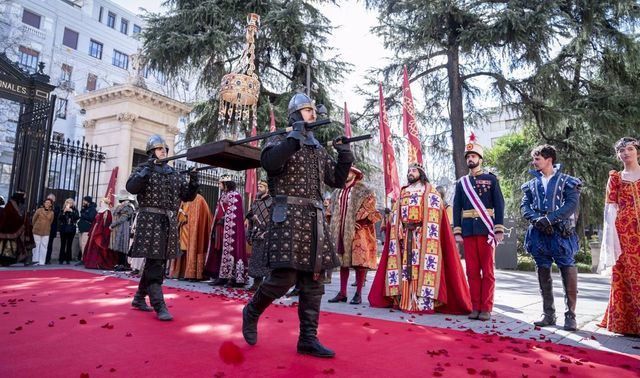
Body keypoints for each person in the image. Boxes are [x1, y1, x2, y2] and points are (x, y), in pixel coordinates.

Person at [241, 92, 354, 358]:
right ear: (294, 115)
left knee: (313, 282)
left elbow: (336, 180)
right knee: (284, 279)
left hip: (314, 219)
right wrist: (294, 137)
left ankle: (308, 339)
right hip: (288, 217)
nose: (313, 114)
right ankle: (252, 310)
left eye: (313, 110)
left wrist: (345, 154)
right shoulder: (280, 139)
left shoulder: (317, 148)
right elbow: (269, 162)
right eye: (307, 110)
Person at [369, 164, 472, 314]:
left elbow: (437, 213)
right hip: (404, 236)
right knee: (406, 269)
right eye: (409, 171)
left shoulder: (430, 191)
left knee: (422, 268)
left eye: (414, 170)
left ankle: (423, 301)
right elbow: (396, 214)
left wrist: (423, 230)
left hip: (423, 236)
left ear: (421, 173)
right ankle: (405, 299)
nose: (410, 173)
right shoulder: (403, 192)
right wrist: (393, 219)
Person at [126, 134, 198, 321]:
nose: (163, 151)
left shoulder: (173, 174)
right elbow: (132, 188)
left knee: (154, 262)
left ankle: (139, 298)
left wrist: (193, 181)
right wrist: (147, 169)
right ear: (151, 152)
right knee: (156, 264)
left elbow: (187, 196)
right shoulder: (143, 169)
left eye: (165, 148)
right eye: (159, 149)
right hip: (149, 221)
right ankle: (159, 305)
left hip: (168, 223)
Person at [520, 144, 581, 331]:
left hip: (561, 232)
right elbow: (525, 206)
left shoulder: (567, 181)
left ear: (549, 159)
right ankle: (548, 314)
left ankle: (570, 315)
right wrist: (537, 220)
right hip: (538, 234)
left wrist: (550, 219)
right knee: (542, 270)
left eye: (537, 158)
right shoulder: (530, 184)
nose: (534, 162)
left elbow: (571, 204)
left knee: (567, 268)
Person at [452, 137, 505, 321]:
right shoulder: (461, 183)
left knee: (488, 272)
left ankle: (486, 308)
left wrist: (498, 229)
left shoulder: (491, 179)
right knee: (472, 272)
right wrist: (457, 231)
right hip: (468, 232)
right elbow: (456, 207)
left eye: (473, 156)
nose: (470, 160)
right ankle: (475, 307)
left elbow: (499, 205)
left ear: (480, 159)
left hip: (486, 230)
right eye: (468, 157)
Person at [597, 137, 640, 336]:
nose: (626, 153)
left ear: (637, 151)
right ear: (618, 155)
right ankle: (627, 324)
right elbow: (610, 209)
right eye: (622, 150)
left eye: (630, 149)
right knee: (628, 276)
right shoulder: (615, 177)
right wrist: (611, 240)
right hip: (624, 234)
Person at [328, 167, 381, 305]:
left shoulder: (365, 191)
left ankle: (358, 293)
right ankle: (342, 293)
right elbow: (330, 211)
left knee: (359, 262)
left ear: (356, 174)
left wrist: (359, 221)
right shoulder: (336, 192)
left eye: (349, 172)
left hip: (359, 231)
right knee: (342, 262)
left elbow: (370, 209)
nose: (346, 173)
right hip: (340, 231)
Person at [204, 176, 248, 287]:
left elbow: (235, 215)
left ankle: (233, 278)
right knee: (219, 252)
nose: (219, 185)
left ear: (226, 184)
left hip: (231, 232)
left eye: (220, 183)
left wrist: (224, 220)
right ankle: (221, 277)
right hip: (220, 229)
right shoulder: (222, 196)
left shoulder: (236, 196)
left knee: (231, 253)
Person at [170, 193, 212, 281]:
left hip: (193, 230)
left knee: (192, 250)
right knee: (183, 249)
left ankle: (194, 274)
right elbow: (181, 210)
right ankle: (183, 272)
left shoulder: (199, 199)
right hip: (183, 228)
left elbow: (204, 216)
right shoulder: (185, 198)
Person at [246, 180, 273, 291]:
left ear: (267, 188)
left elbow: (274, 219)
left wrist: (268, 232)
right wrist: (249, 233)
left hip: (267, 235)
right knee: (256, 260)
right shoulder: (255, 202)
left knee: (266, 261)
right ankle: (256, 283)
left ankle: (267, 285)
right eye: (258, 186)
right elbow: (250, 219)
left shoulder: (272, 202)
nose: (259, 187)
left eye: (262, 186)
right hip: (256, 235)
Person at [83, 197, 118, 270]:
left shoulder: (107, 212)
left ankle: (98, 263)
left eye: (101, 202)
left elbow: (107, 224)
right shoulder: (100, 211)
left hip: (101, 232)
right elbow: (95, 221)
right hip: (95, 230)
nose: (100, 204)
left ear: (105, 203)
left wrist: (101, 231)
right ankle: (92, 262)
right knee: (93, 247)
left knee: (100, 246)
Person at [0, 190, 30, 266]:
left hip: (17, 229)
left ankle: (20, 260)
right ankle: (6, 261)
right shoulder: (10, 204)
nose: (24, 198)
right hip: (9, 229)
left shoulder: (20, 204)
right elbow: (10, 216)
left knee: (17, 245)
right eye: (23, 196)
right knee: (8, 245)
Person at [110, 190, 137, 271]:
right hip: (120, 228)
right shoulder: (122, 206)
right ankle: (119, 263)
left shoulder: (128, 207)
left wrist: (112, 225)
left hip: (124, 228)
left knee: (123, 246)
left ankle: (123, 265)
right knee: (119, 247)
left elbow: (123, 218)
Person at [31, 198, 55, 266]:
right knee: (36, 246)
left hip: (46, 231)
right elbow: (33, 219)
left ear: (51, 204)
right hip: (37, 230)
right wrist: (35, 226)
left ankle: (42, 261)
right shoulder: (39, 210)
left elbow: (51, 221)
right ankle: (35, 261)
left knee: (44, 246)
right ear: (44, 203)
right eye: (46, 202)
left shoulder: (52, 213)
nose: (47, 204)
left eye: (48, 203)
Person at [58, 198, 79, 264]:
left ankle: (68, 259)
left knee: (69, 244)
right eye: (67, 202)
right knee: (63, 244)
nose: (69, 204)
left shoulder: (75, 210)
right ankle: (61, 259)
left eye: (70, 202)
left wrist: (71, 211)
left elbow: (77, 218)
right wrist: (64, 212)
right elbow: (60, 218)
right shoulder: (63, 209)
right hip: (63, 228)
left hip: (71, 229)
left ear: (73, 203)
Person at [77, 196, 97, 263]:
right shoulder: (85, 208)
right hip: (81, 228)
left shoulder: (92, 209)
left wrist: (83, 214)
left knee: (84, 244)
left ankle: (84, 259)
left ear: (88, 201)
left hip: (87, 229)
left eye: (84, 201)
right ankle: (83, 258)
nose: (83, 202)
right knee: (80, 244)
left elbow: (91, 218)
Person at [44, 193, 60, 265]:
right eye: (48, 198)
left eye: (51, 199)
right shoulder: (43, 206)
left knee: (49, 244)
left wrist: (50, 208)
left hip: (52, 228)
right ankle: (41, 258)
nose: (49, 200)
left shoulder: (56, 207)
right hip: (43, 228)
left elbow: (55, 215)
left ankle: (47, 259)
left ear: (54, 200)